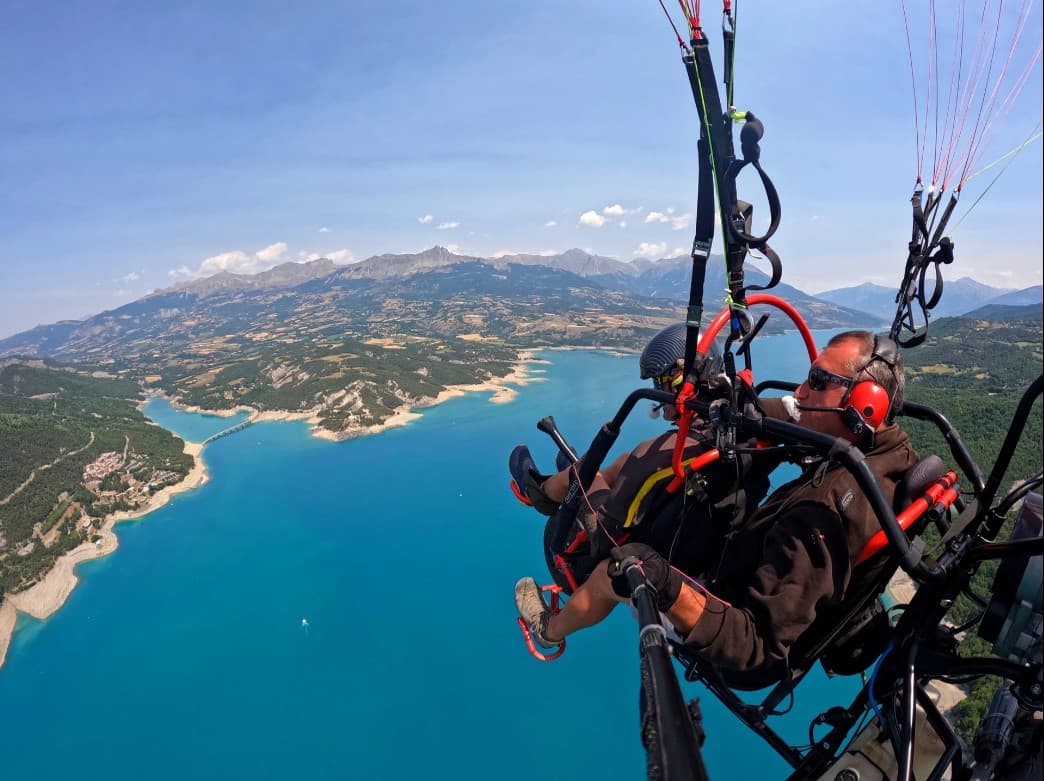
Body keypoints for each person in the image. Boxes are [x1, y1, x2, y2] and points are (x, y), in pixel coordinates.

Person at [516, 330, 918, 674]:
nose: (800, 390)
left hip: (726, 621)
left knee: (615, 566)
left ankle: (549, 629)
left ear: (866, 402)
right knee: (616, 465)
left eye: (817, 379)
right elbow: (786, 417)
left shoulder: (820, 516)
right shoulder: (887, 455)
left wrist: (666, 584)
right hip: (738, 562)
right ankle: (554, 488)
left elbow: (756, 646)